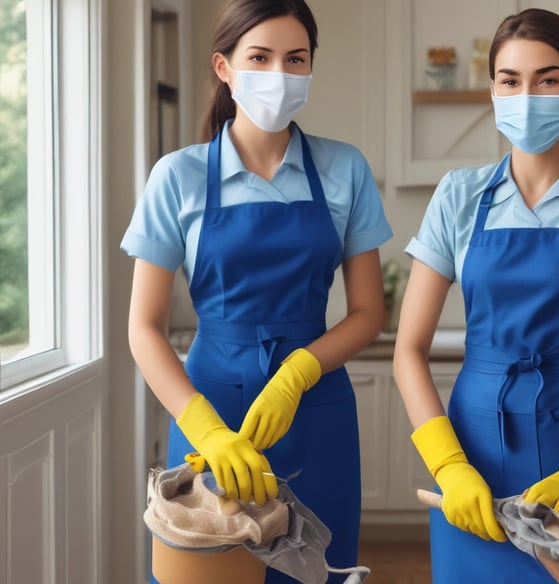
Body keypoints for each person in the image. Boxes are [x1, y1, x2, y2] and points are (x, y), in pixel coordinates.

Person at [121, 1, 392, 582]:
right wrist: (205, 429)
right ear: (224, 67)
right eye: (260, 58)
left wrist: (296, 374)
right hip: (210, 407)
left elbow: (370, 312)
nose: (279, 74)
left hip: (316, 407)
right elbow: (143, 326)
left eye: (296, 59)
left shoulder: (345, 168)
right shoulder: (179, 176)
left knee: (318, 570)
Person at [393, 8, 559, 583]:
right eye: (511, 80)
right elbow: (408, 348)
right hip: (473, 448)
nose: (527, 94)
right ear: (493, 89)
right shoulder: (458, 196)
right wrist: (449, 467)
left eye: (548, 78)